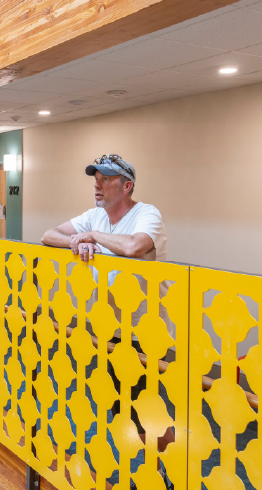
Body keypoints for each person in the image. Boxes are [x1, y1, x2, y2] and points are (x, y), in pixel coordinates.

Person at [41, 154, 174, 489]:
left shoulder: (147, 214)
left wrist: (94, 238)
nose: (97, 184)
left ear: (126, 185)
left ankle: (168, 469)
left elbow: (134, 247)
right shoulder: (94, 215)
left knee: (144, 410)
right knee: (124, 408)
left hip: (146, 332)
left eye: (106, 178)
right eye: (95, 178)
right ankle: (155, 470)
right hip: (113, 330)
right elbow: (48, 235)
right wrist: (75, 239)